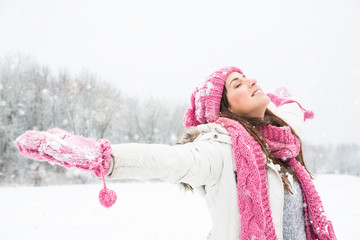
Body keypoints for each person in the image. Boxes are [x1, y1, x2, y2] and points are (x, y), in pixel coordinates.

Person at [15, 66, 336, 240]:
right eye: (237, 84)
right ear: (223, 109)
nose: (251, 80)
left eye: (246, 76)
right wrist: (103, 156)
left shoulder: (282, 139)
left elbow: (292, 115)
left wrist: (289, 102)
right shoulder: (221, 150)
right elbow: (167, 161)